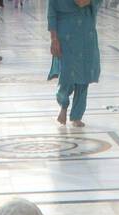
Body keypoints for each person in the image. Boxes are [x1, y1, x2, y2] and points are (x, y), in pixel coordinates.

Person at [48, 0, 101, 129]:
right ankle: (63, 104)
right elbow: (51, 14)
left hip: (86, 33)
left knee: (84, 76)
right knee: (67, 74)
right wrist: (54, 39)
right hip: (66, 35)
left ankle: (77, 115)